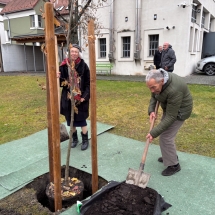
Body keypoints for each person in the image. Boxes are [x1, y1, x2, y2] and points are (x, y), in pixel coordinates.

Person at [145, 69, 193, 176]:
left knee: (166, 137)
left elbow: (171, 116)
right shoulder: (158, 83)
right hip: (171, 109)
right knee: (164, 134)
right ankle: (169, 156)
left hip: (180, 112)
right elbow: (154, 96)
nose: (152, 90)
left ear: (162, 81)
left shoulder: (174, 89)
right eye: (150, 88)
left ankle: (174, 165)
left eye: (153, 87)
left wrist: (153, 133)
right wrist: (151, 110)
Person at [59, 44, 90, 151]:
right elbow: (61, 83)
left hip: (80, 98)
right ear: (69, 52)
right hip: (68, 98)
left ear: (79, 53)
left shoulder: (83, 66)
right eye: (72, 51)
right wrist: (57, 76)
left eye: (76, 51)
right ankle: (75, 139)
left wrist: (84, 97)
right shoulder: (63, 65)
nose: (74, 53)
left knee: (81, 120)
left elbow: (88, 83)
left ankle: (85, 140)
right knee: (70, 121)